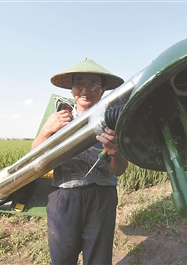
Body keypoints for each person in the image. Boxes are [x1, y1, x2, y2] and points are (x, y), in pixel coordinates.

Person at [31, 58, 129, 265]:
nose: (86, 89)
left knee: (99, 259)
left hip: (102, 198)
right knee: (62, 257)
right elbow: (34, 159)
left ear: (102, 90)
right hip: (64, 196)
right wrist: (46, 130)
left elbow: (119, 170)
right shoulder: (58, 119)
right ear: (72, 88)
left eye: (93, 84)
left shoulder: (113, 121)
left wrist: (116, 153)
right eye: (79, 83)